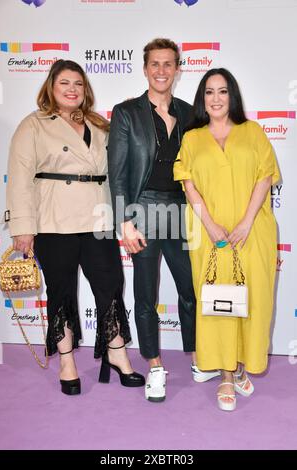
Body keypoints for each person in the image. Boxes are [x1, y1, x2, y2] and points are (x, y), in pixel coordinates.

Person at [5, 59, 145, 395]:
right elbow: (20, 179)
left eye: (78, 84)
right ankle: (66, 360)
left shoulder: (100, 124)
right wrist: (23, 226)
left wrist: (124, 218)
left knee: (110, 284)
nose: (72, 89)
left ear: (86, 90)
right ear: (51, 87)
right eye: (65, 83)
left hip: (98, 217)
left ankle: (116, 353)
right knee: (62, 291)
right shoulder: (33, 125)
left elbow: (116, 173)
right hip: (54, 219)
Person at [108, 38, 219, 403]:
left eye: (168, 64)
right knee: (145, 293)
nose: (161, 71)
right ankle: (154, 364)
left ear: (177, 69)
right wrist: (125, 220)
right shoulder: (126, 113)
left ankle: (197, 357)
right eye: (154, 64)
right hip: (142, 210)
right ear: (145, 68)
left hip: (181, 212)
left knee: (190, 289)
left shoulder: (189, 114)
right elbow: (118, 172)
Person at [174, 68, 280, 411]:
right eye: (209, 92)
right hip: (210, 235)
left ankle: (242, 365)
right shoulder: (192, 138)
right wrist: (210, 225)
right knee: (218, 303)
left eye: (222, 91)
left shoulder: (253, 132)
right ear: (201, 99)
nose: (216, 98)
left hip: (253, 232)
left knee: (252, 300)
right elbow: (188, 183)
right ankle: (225, 375)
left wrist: (246, 223)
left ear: (232, 96)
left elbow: (265, 178)